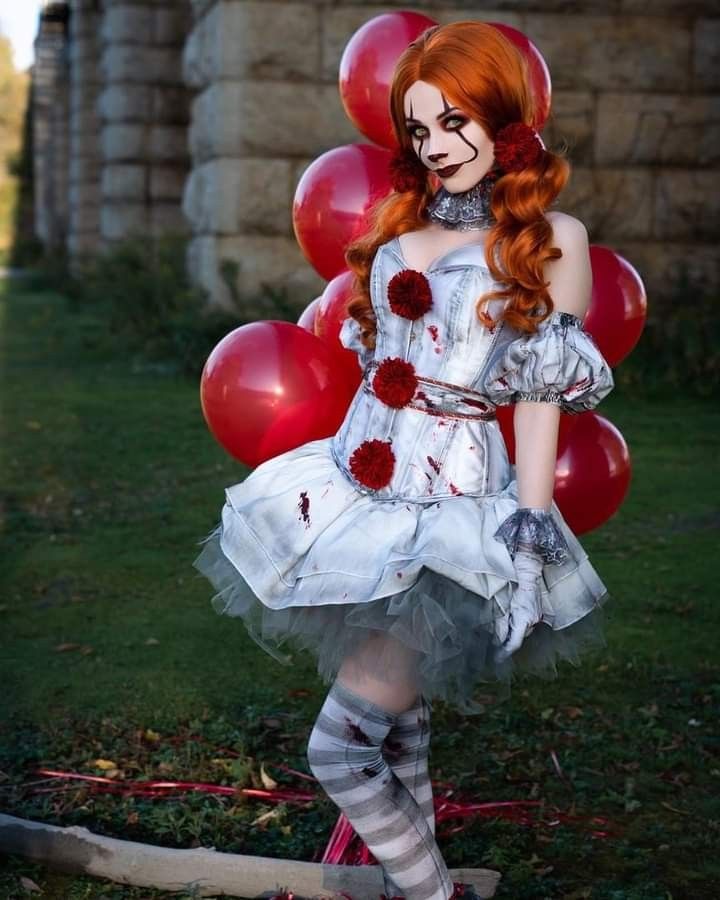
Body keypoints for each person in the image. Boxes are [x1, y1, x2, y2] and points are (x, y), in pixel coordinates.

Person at [193, 21, 615, 900]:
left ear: (502, 119)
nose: (436, 147)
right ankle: (414, 886)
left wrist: (530, 526)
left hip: (449, 508)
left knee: (340, 747)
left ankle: (428, 895)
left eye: (454, 122)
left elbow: (537, 394)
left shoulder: (550, 240)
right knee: (401, 727)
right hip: (355, 489)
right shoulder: (401, 228)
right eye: (419, 130)